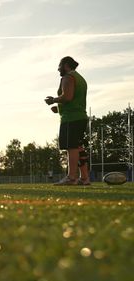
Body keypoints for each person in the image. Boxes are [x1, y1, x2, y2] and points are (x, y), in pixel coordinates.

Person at [45, 56, 90, 186]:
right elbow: (74, 100)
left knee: (71, 147)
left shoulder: (68, 77)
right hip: (80, 116)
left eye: (59, 65)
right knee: (78, 147)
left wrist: (53, 100)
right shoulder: (80, 78)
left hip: (71, 119)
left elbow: (67, 96)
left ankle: (71, 177)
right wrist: (59, 109)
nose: (58, 69)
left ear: (65, 65)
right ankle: (84, 178)